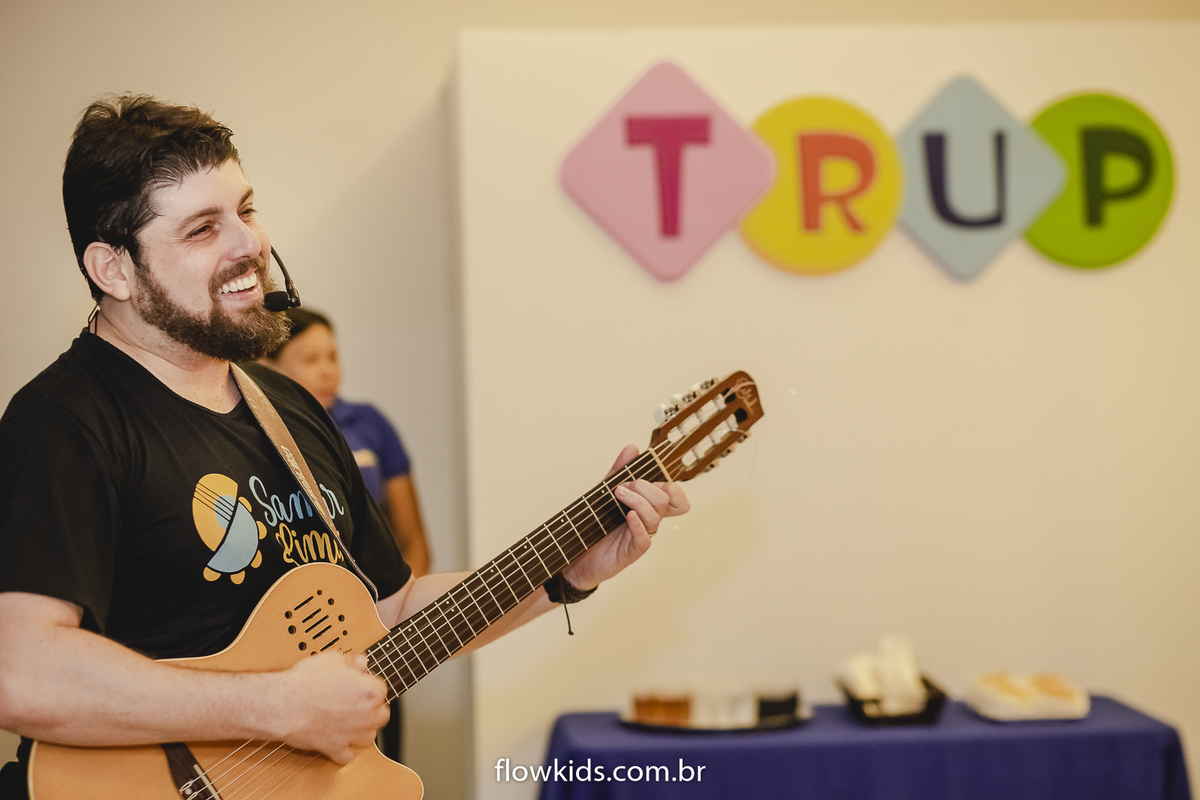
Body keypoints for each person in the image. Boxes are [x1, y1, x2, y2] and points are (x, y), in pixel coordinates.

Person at [0, 94, 688, 798]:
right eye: (203, 228)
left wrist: (567, 573)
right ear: (114, 270)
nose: (248, 244)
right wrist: (275, 707)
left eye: (246, 210)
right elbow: (20, 672)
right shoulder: (64, 422)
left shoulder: (289, 408)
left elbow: (389, 612)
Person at [263, 308, 431, 578]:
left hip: (382, 591)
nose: (329, 371)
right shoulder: (257, 432)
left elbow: (413, 542)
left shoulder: (368, 422)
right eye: (311, 360)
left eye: (333, 357)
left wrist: (406, 599)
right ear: (267, 366)